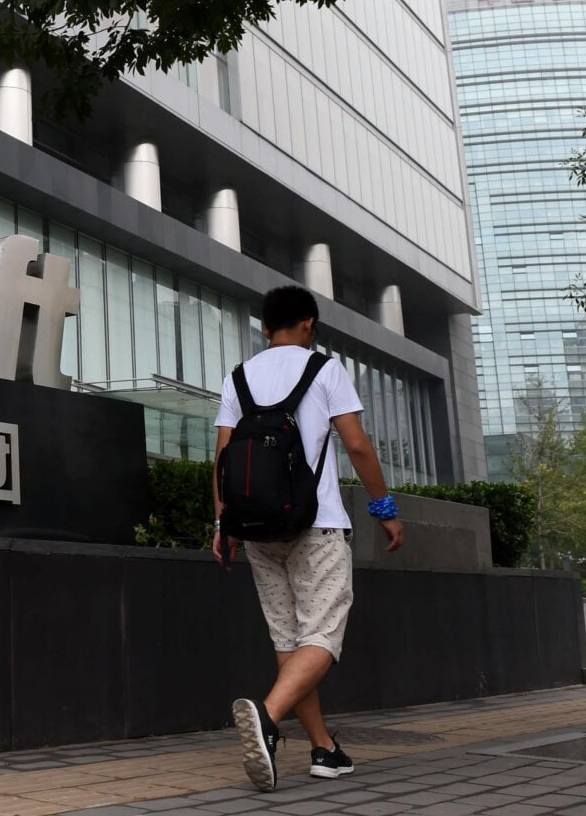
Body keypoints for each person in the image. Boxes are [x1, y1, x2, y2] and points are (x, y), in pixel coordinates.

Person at [213, 285, 405, 792]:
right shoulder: (325, 369)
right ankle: (267, 716)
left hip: (256, 530)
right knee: (321, 636)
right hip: (316, 525)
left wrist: (222, 525)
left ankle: (324, 749)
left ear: (264, 328)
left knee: (289, 639)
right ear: (310, 325)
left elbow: (223, 457)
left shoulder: (239, 377)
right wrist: (384, 509)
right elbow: (357, 445)